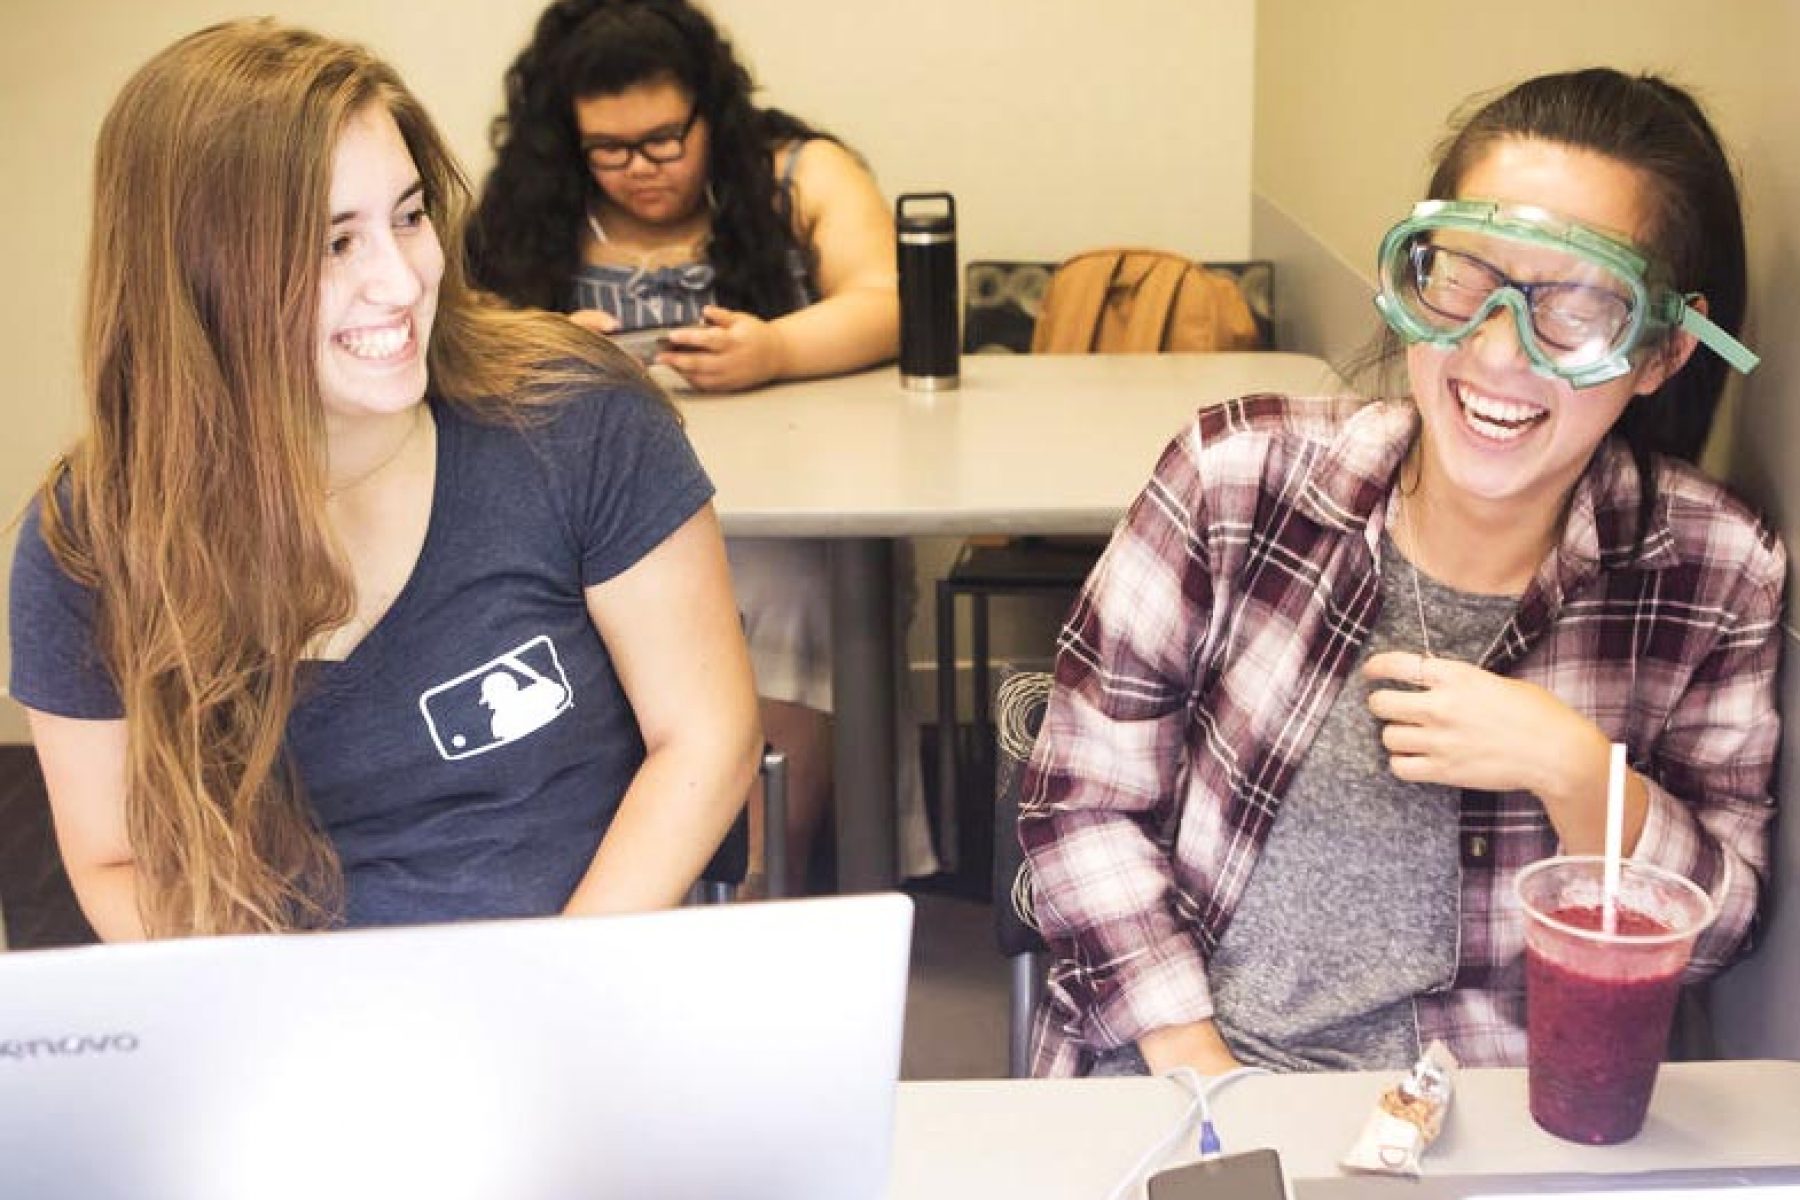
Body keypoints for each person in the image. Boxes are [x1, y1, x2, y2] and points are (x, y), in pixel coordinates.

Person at [1018, 68, 1782, 1077]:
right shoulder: (1235, 477)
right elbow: (1079, 801)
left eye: (1581, 309)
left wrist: (1574, 773)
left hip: (1489, 1121)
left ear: (1661, 353)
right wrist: (1203, 1077)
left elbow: (1717, 931)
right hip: (1182, 1072)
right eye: (1463, 276)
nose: (1499, 351)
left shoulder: (1715, 570)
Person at [6, 19, 762, 939]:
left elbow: (707, 739)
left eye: (408, 218)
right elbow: (113, 857)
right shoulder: (90, 540)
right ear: (196, 280)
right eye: (335, 244)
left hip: (572, 986)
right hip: (284, 1029)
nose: (403, 282)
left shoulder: (574, 417)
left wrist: (556, 992)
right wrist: (279, 1027)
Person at [470, 0, 921, 889]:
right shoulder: (532, 206)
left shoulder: (797, 170)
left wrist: (779, 348)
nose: (641, 170)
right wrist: (551, 347)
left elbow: (890, 299)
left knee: (793, 589)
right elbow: (462, 333)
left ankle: (753, 879)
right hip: (602, 510)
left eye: (666, 140)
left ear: (710, 109)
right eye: (609, 149)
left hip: (796, 505)